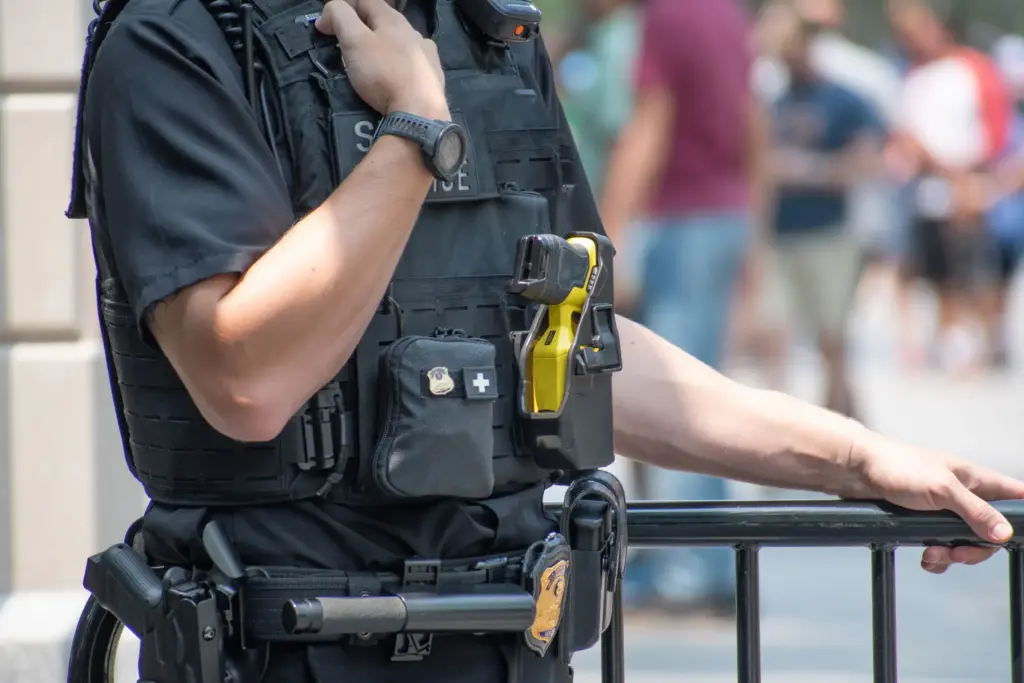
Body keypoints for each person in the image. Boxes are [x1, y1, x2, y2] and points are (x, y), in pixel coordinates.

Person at [68, 0, 1024, 681]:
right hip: (283, 639)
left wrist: (859, 457)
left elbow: (578, 348)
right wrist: (414, 134)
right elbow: (247, 379)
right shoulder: (177, 39)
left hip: (508, 633)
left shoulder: (483, 36)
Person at [598, 0, 771, 616]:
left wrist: (606, 241)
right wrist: (755, 232)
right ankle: (713, 561)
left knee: (675, 394)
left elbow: (649, 127)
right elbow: (754, 124)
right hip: (721, 214)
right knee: (702, 391)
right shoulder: (723, 14)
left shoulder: (667, 18)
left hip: (683, 218)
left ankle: (687, 569)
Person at [758, 14, 885, 420]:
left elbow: (866, 163)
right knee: (773, 333)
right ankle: (781, 429)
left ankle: (847, 426)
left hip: (829, 234)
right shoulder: (774, 104)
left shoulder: (845, 100)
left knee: (831, 340)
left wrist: (807, 170)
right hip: (779, 235)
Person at [888, 0, 1012, 375]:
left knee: (975, 273)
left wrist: (973, 181)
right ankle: (950, 347)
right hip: (928, 190)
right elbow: (906, 134)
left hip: (970, 187)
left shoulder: (972, 69)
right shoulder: (915, 76)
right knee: (936, 274)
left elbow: (996, 132)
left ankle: (984, 345)